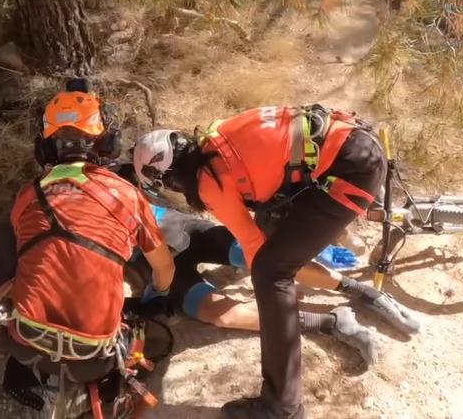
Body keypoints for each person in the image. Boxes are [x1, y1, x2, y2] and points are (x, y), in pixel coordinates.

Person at [132, 104, 398, 419]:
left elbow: (247, 251)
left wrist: (156, 293)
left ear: (170, 176)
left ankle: (282, 406)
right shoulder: (214, 138)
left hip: (346, 168)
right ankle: (332, 318)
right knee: (240, 290)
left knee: (269, 270)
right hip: (350, 144)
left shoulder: (207, 184)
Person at [0, 78, 175, 387]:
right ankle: (113, 387)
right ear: (107, 142)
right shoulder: (126, 194)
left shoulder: (26, 196)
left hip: (23, 344)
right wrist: (157, 296)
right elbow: (164, 268)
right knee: (162, 339)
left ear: (45, 147)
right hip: (91, 358)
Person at [127, 202, 381, 365]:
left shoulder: (118, 194)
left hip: (182, 235)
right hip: (156, 260)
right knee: (219, 315)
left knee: (268, 257)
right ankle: (332, 321)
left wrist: (157, 292)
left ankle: (361, 290)